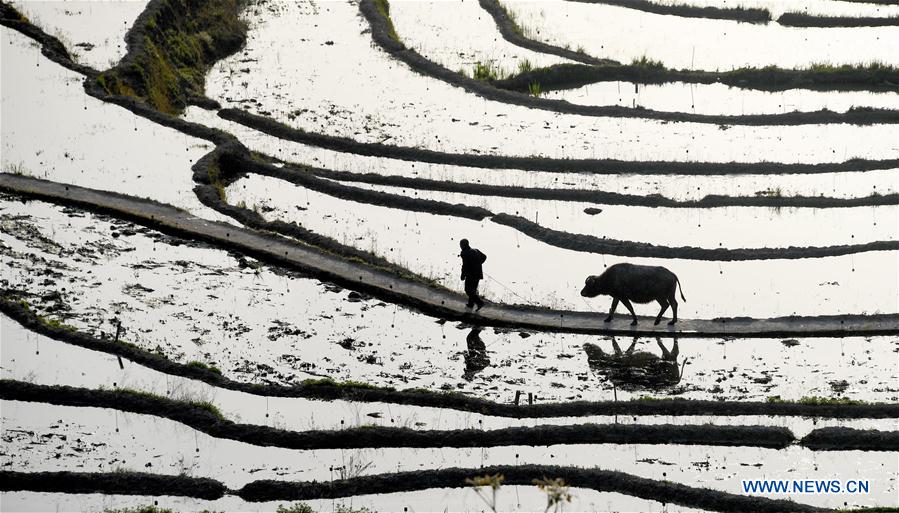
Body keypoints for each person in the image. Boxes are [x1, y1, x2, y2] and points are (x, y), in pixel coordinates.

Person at [459, 239, 486, 311]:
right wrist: (478, 264)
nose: (460, 246)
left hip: (471, 274)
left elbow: (465, 266)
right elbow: (484, 257)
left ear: (463, 245)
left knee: (468, 290)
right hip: (478, 273)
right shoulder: (476, 250)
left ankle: (480, 303)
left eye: (460, 245)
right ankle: (470, 304)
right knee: (473, 290)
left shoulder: (464, 253)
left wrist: (462, 275)